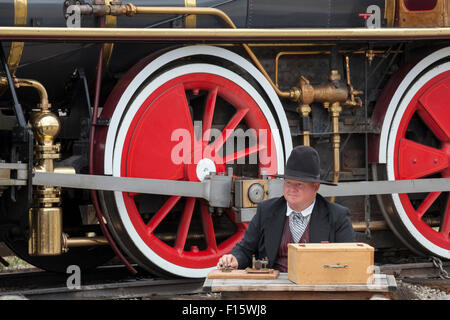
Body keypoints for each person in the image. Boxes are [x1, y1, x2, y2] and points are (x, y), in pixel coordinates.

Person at [217, 145, 355, 271]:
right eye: (288, 183)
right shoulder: (266, 210)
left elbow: (349, 260)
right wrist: (234, 258)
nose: (291, 189)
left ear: (315, 187)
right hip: (273, 291)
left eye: (299, 184)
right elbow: (246, 249)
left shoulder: (337, 217)